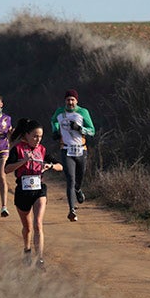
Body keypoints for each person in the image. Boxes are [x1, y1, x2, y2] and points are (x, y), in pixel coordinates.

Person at [4, 118, 63, 268]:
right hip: (22, 191)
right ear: (27, 135)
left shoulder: (42, 150)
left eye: (40, 137)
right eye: (35, 136)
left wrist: (50, 166)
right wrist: (23, 161)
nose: (38, 140)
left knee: (38, 223)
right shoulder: (17, 150)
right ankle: (27, 250)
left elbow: (60, 166)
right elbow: (6, 169)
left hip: (39, 190)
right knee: (28, 228)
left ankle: (40, 259)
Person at [51, 89, 96, 222]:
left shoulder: (83, 112)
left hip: (81, 150)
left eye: (72, 100)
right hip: (66, 150)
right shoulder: (59, 112)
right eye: (68, 100)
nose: (70, 102)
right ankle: (72, 210)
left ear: (77, 101)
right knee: (70, 179)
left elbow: (92, 131)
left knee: (79, 178)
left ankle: (78, 189)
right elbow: (53, 120)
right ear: (64, 101)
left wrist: (79, 128)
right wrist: (55, 131)